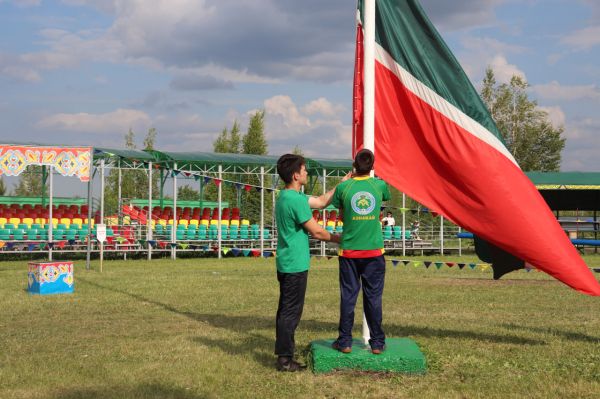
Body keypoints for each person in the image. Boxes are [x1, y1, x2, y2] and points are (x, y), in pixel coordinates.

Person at [274, 154, 348, 372]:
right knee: (290, 312)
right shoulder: (296, 200)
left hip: (287, 261)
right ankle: (285, 359)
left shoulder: (286, 196)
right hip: (294, 264)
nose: (307, 173)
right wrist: (340, 238)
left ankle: (284, 353)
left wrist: (341, 185)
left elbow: (322, 201)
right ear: (296, 175)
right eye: (304, 170)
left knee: (285, 311)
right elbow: (316, 231)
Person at [331, 149, 391, 355]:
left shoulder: (344, 188)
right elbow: (384, 201)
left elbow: (340, 211)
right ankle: (377, 343)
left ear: (354, 166)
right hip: (374, 252)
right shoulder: (380, 185)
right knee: (373, 297)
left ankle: (345, 341)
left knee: (348, 297)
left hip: (349, 252)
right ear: (373, 166)